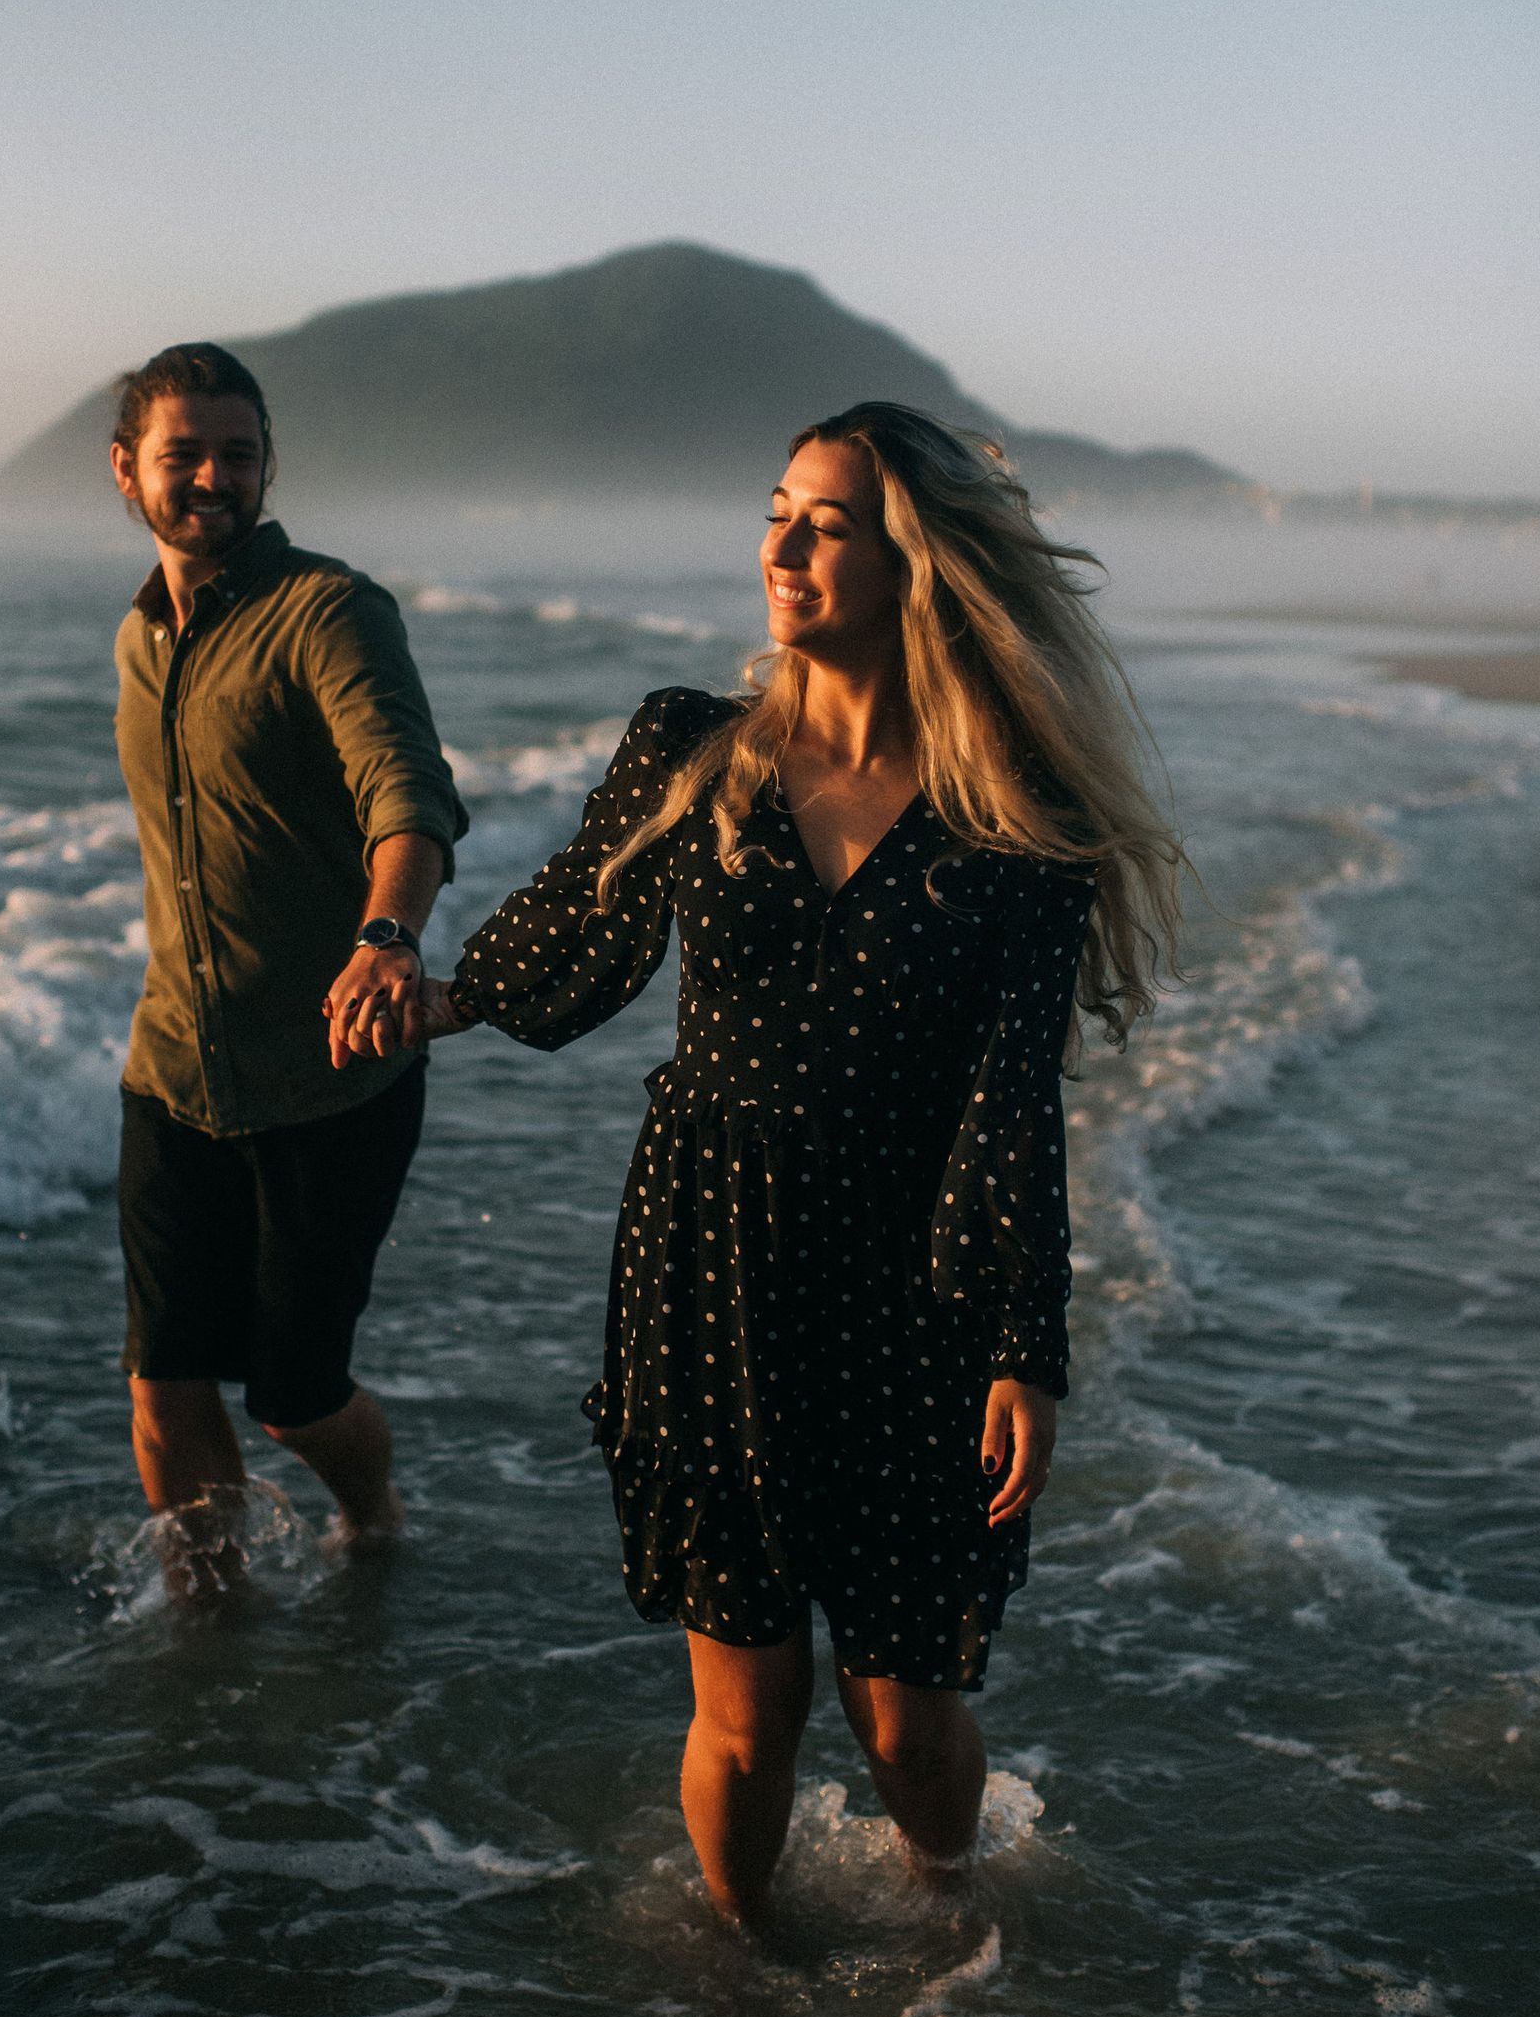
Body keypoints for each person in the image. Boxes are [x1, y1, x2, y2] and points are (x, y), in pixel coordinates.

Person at [356, 403, 1179, 1926]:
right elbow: (585, 923)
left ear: (910, 561)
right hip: (708, 1255)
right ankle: (743, 1989)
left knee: (910, 1730)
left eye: (827, 522)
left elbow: (1011, 1099)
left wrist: (1026, 1349)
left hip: (911, 1284)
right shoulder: (694, 745)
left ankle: (952, 1939)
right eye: (776, 512)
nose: (782, 548)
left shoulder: (1014, 814)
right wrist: (438, 993)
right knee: (750, 1710)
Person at [110, 342, 467, 1585]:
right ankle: (211, 1619)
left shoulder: (329, 611)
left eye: (238, 454)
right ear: (126, 471)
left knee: (294, 1398)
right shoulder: (139, 639)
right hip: (173, 1071)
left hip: (331, 1079)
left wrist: (386, 934)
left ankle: (373, 1520)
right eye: (183, 454)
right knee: (162, 1377)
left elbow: (407, 791)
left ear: (267, 466)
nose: (213, 476)